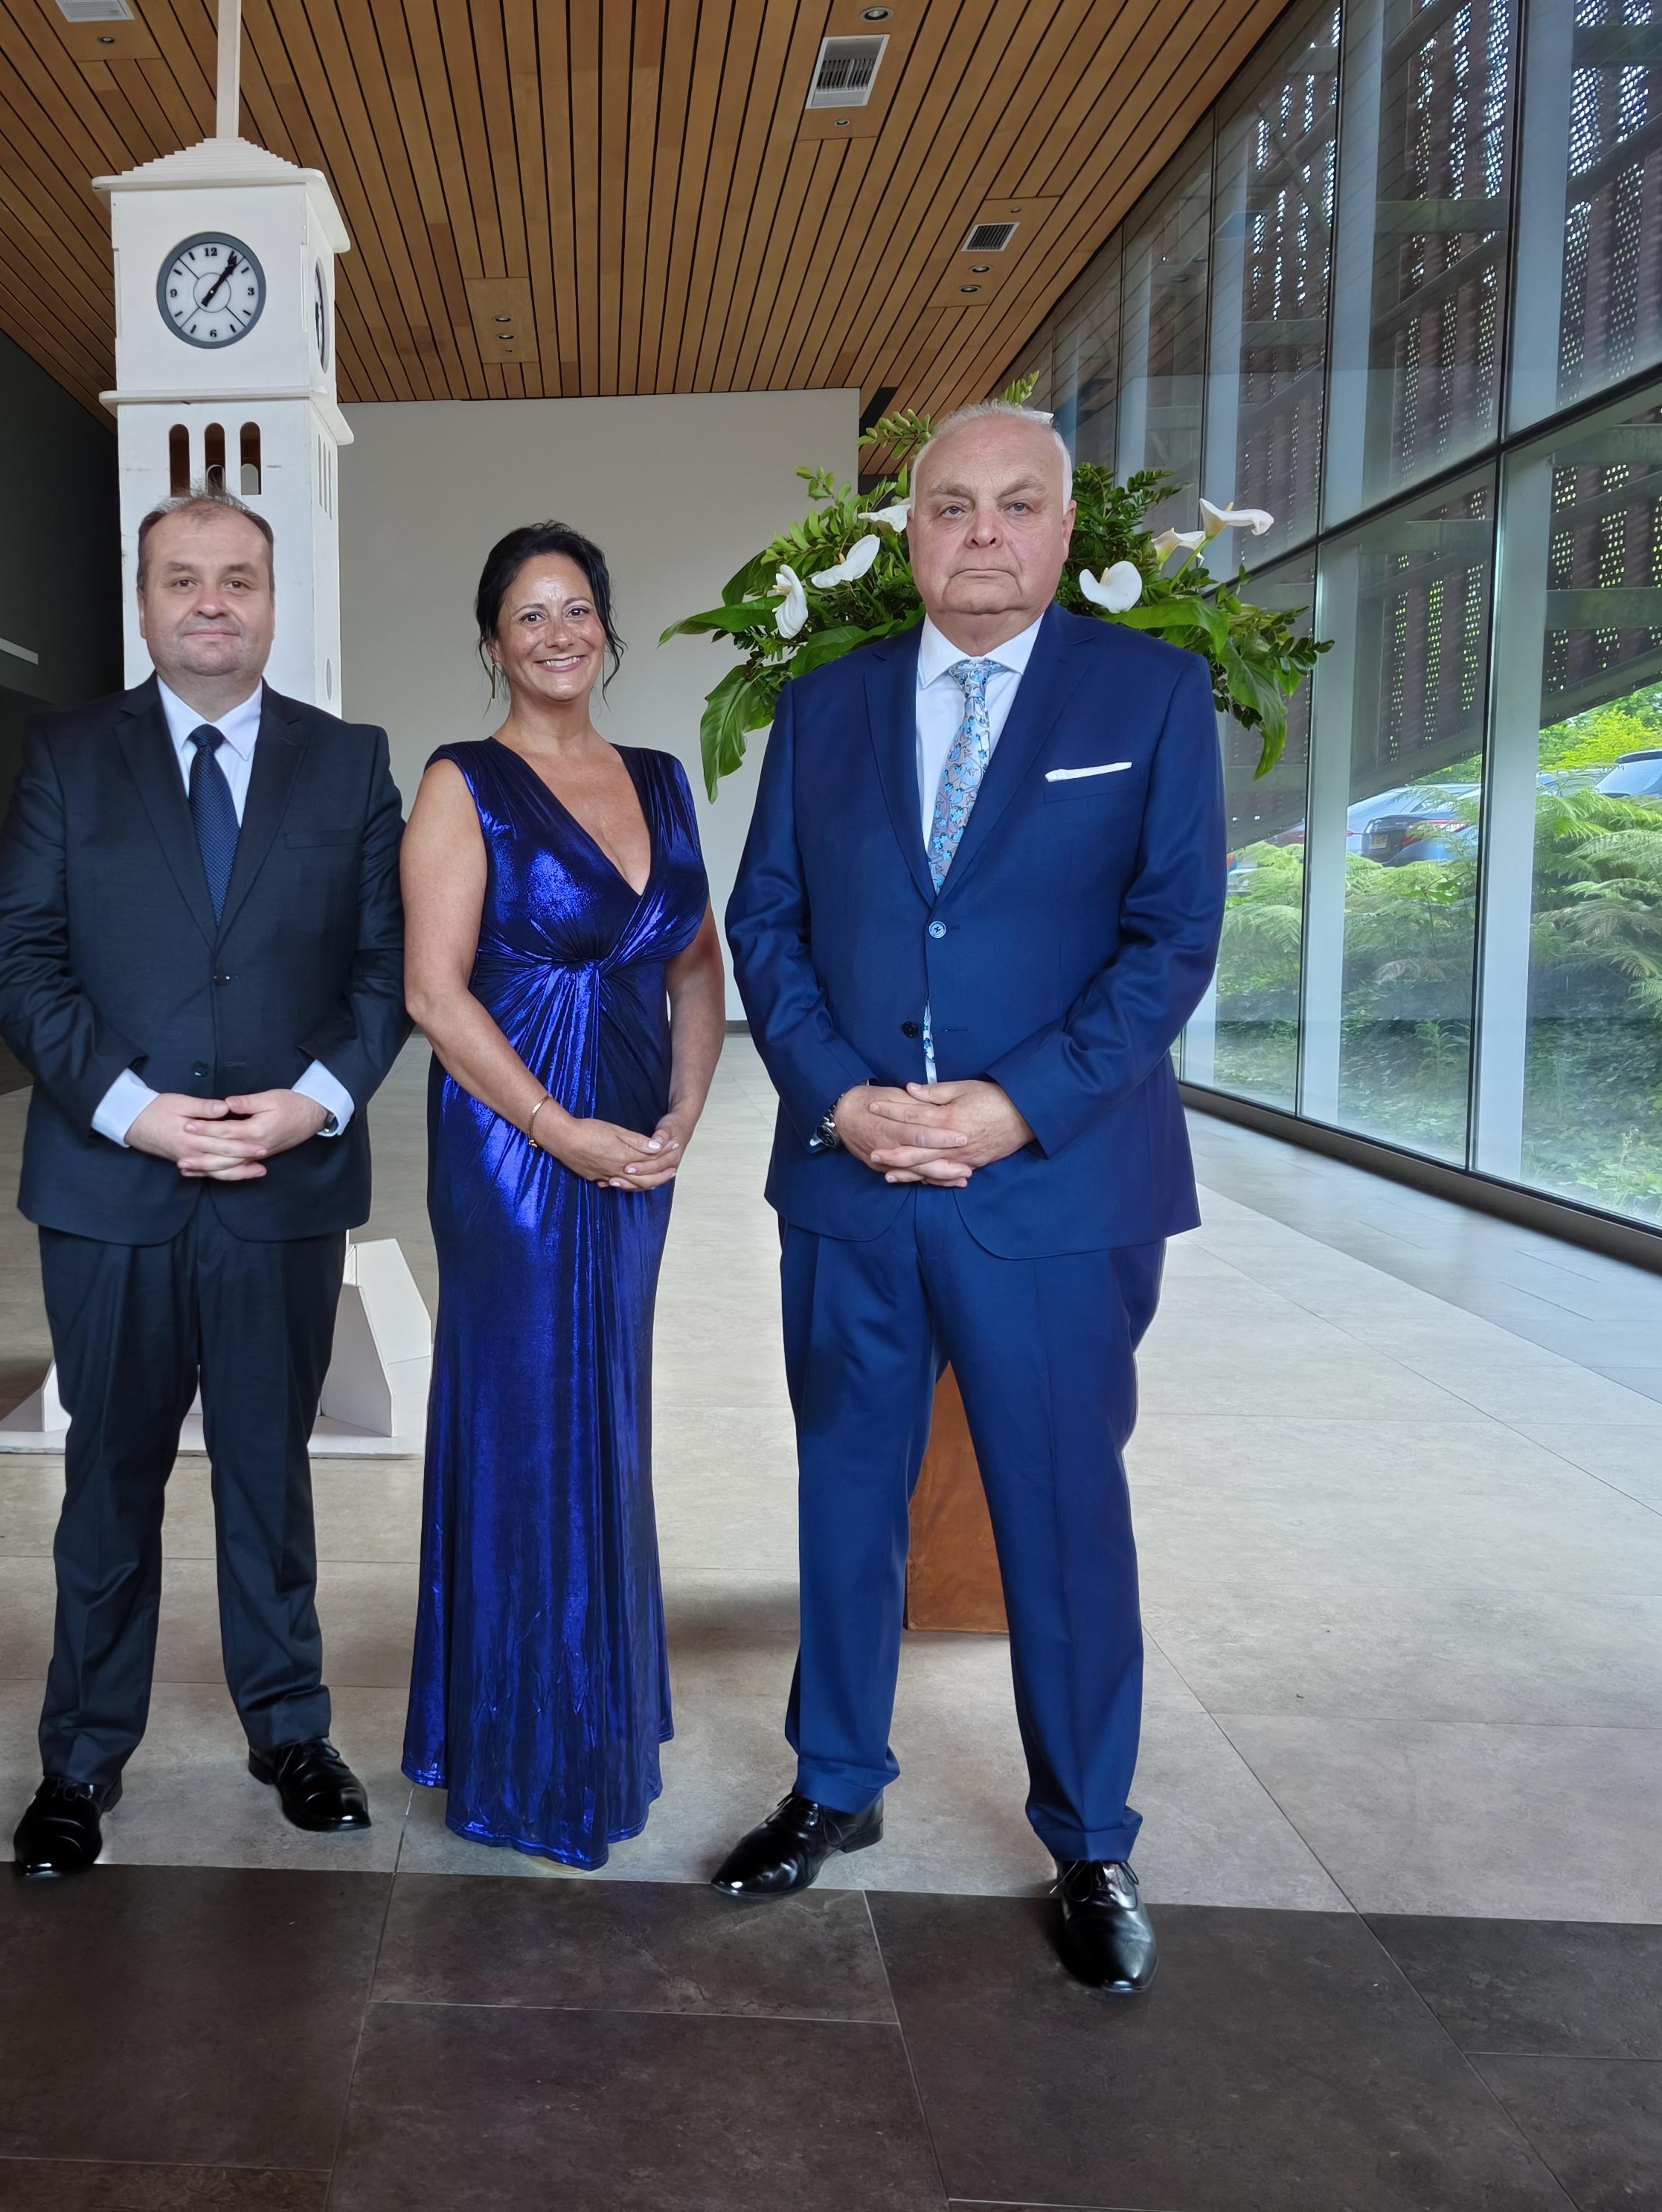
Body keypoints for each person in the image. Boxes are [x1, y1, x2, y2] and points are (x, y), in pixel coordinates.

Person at [717, 402, 1224, 1993]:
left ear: (1064, 530)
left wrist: (1018, 1107)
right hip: (854, 1183)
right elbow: (767, 922)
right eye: (951, 505)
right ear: (911, 533)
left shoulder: (1147, 694)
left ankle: (1089, 1836)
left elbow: (1171, 939)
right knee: (843, 1496)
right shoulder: (823, 708)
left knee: (1061, 1519)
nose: (983, 533)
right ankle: (834, 1783)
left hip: (1053, 1192)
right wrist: (837, 1097)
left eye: (1015, 504)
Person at [0, 491, 407, 1878]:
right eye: (182, 579)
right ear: (144, 600)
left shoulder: (349, 763)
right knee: (108, 1481)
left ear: (274, 602)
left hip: (286, 1183)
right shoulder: (67, 757)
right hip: (114, 1187)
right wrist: (136, 1113)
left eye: (237, 579)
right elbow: (17, 956)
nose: (211, 602)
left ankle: (291, 1728)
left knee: (270, 1474)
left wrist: (313, 1102)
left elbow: (388, 968)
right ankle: (81, 1758)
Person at [400, 524, 723, 1870]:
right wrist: (554, 1129)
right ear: (492, 643)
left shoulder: (659, 778)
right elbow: (434, 994)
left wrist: (684, 1112)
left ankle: (599, 1718)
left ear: (606, 629)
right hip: (514, 1145)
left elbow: (695, 967)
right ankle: (520, 1753)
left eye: (576, 608)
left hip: (634, 1145)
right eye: (528, 614)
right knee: (530, 1418)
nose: (556, 633)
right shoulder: (462, 780)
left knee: (609, 1413)